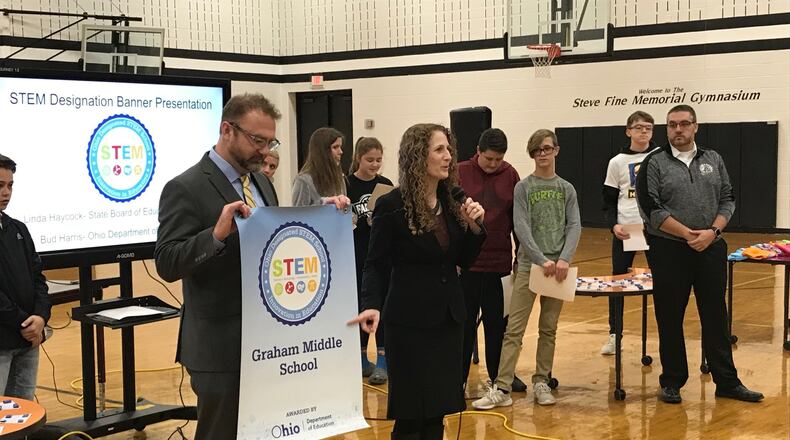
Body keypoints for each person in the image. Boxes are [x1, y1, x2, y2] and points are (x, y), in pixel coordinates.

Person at [155, 93, 349, 439]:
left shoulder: (261, 182)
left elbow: (274, 238)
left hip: (269, 342)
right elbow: (168, 261)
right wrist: (215, 235)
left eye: (269, 141)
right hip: (219, 347)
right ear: (227, 130)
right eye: (257, 140)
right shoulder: (185, 187)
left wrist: (321, 213)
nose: (264, 150)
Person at [349, 123, 486, 440]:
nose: (448, 156)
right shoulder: (391, 206)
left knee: (436, 414)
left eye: (449, 149)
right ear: (417, 156)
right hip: (409, 326)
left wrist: (475, 228)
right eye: (439, 149)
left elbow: (462, 260)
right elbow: (376, 264)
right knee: (412, 417)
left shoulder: (453, 203)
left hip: (448, 322)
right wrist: (371, 304)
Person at [635, 104, 763, 404]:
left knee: (716, 316)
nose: (677, 130)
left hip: (710, 247)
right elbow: (650, 208)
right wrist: (687, 234)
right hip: (669, 250)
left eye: (683, 124)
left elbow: (728, 198)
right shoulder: (653, 163)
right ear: (667, 129)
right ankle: (672, 381)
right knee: (669, 317)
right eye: (671, 125)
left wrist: (712, 233)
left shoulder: (713, 159)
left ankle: (727, 382)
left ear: (695, 126)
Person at [473, 129, 580, 409]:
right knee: (514, 329)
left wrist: (564, 259)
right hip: (529, 268)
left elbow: (574, 225)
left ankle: (542, 381)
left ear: (556, 150)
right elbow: (520, 226)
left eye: (546, 149)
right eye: (536, 151)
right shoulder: (523, 187)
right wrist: (539, 258)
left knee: (549, 328)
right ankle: (502, 386)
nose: (541, 154)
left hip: (558, 271)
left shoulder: (566, 188)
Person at [457, 128, 523, 390]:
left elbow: (517, 220)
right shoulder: (460, 172)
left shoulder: (511, 174)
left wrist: (520, 255)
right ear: (478, 152)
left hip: (499, 265)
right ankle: (457, 378)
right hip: (467, 265)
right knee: (464, 326)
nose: (494, 164)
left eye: (499, 159)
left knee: (499, 326)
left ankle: (500, 377)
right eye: (489, 159)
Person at [600, 111, 659, 355]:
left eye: (648, 128)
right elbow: (608, 201)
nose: (643, 132)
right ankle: (615, 334)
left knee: (663, 281)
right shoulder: (617, 162)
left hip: (655, 227)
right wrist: (614, 225)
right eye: (638, 128)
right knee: (619, 282)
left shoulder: (661, 156)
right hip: (629, 228)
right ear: (628, 131)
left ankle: (666, 332)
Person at [0, 154, 51, 400]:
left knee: (23, 411)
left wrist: (41, 317)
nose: (6, 192)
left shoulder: (18, 228)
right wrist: (25, 323)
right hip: (6, 338)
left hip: (29, 338)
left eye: (10, 186)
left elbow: (38, 278)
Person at [347, 137, 394, 385]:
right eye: (369, 160)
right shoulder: (347, 184)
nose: (375, 165)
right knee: (360, 308)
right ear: (358, 158)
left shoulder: (385, 185)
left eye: (378, 160)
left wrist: (380, 222)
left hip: (381, 258)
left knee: (382, 308)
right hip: (355, 255)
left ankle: (384, 360)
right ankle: (362, 357)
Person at [292, 127, 348, 206]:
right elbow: (298, 214)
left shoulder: (339, 177)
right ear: (323, 151)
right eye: (335, 147)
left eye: (340, 147)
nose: (340, 152)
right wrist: (323, 202)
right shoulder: (304, 180)